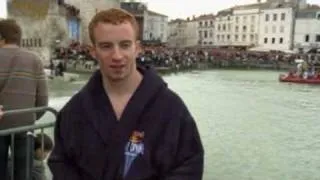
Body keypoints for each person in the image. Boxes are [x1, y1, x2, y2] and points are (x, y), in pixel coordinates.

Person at [48, 8, 204, 180]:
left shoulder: (171, 108)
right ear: (93, 52)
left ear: (137, 48)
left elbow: (189, 166)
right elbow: (62, 166)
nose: (117, 55)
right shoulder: (73, 112)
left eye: (125, 45)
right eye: (106, 46)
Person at [0, 19, 48, 180]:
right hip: (25, 123)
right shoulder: (34, 60)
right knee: (23, 172)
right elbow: (42, 100)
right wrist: (31, 118)